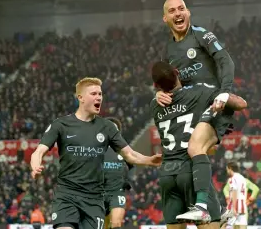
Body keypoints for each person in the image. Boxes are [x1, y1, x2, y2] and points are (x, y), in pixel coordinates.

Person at [30, 77, 162, 229]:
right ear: (80, 97)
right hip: (67, 195)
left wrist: (150, 160)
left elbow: (129, 154)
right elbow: (39, 151)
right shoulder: (61, 125)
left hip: (94, 199)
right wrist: (35, 165)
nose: (99, 97)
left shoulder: (107, 127)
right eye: (93, 94)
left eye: (100, 94)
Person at [156, 0, 238, 223]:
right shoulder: (168, 49)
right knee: (188, 160)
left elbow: (225, 61)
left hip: (214, 103)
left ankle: (204, 207)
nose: (178, 13)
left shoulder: (201, 34)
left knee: (194, 149)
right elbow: (166, 80)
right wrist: (159, 92)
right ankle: (218, 212)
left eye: (181, 8)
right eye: (172, 11)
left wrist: (225, 91)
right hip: (190, 109)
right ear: (165, 18)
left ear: (188, 12)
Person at [151, 61, 246, 228]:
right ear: (177, 72)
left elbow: (167, 92)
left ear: (157, 85)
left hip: (166, 175)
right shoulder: (200, 92)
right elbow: (241, 104)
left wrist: (157, 93)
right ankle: (217, 214)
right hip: (192, 171)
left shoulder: (155, 105)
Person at [103, 117, 134, 229]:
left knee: (116, 224)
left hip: (116, 192)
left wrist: (128, 180)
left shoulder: (124, 150)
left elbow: (132, 166)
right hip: (97, 193)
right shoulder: (95, 148)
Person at [225, 161, 249, 229]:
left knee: (228, 225)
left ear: (230, 168)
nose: (227, 171)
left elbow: (234, 192)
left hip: (235, 205)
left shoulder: (233, 178)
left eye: (227, 169)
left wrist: (234, 207)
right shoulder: (242, 178)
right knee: (242, 226)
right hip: (242, 205)